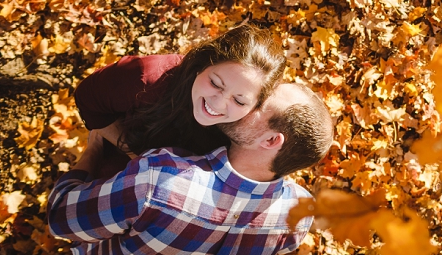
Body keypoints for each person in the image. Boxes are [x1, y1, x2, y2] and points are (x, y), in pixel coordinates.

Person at [47, 82, 333, 255]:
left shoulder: (161, 179)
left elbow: (60, 217)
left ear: (271, 142)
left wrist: (92, 150)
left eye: (259, 103)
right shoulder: (300, 214)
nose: (248, 96)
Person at [75, 24, 286, 177]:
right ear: (202, 64)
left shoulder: (252, 129)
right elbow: (88, 98)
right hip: (126, 156)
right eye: (215, 83)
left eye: (239, 101)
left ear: (256, 105)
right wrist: (135, 154)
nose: (218, 103)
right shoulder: (146, 77)